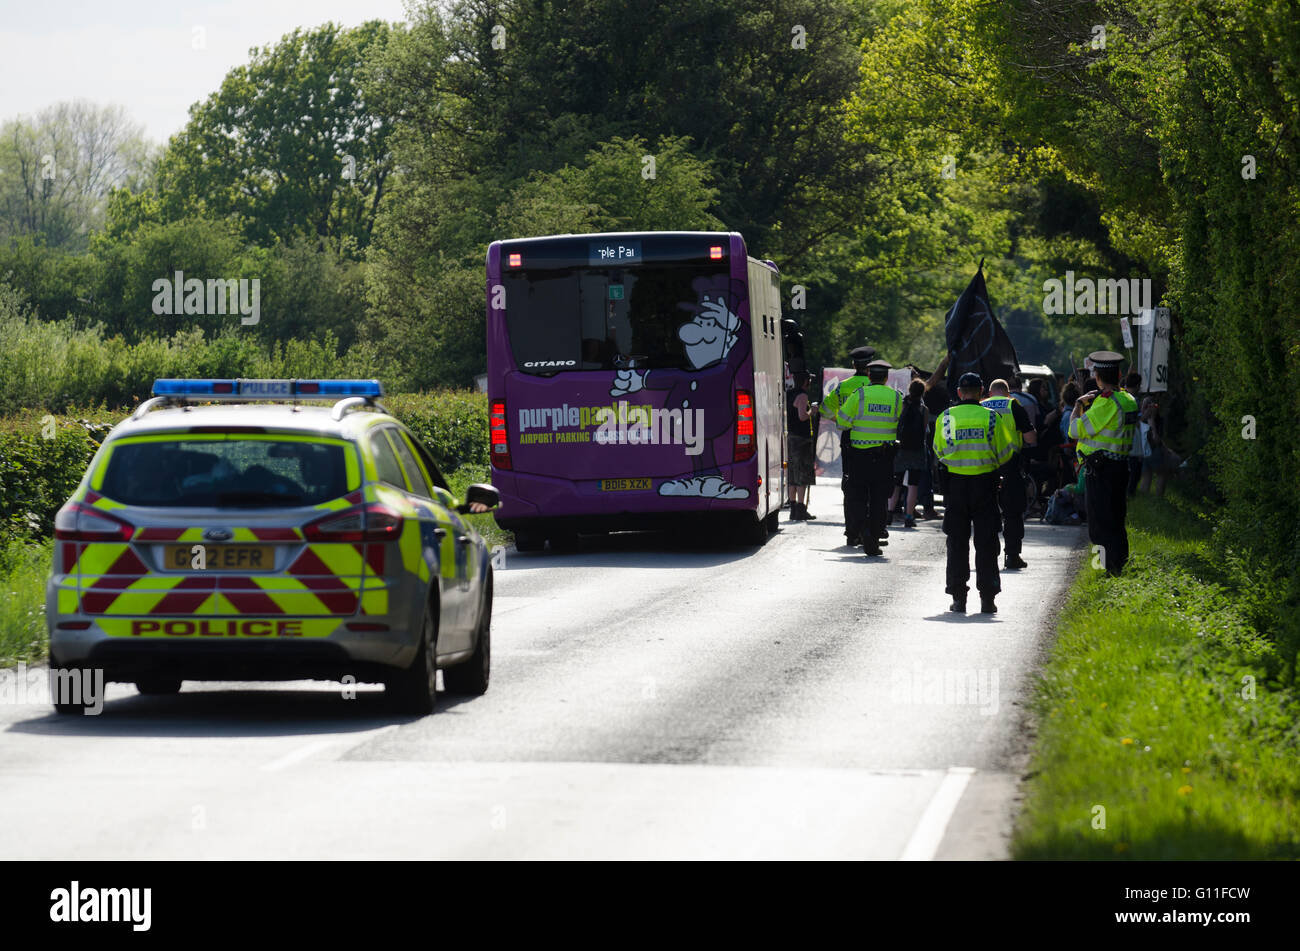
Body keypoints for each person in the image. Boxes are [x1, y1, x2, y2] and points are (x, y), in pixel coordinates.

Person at [933, 372, 1010, 613]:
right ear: (982, 392)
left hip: (955, 487)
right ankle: (988, 598)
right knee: (987, 543)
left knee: (957, 543)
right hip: (985, 486)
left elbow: (938, 449)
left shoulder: (946, 418)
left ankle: (958, 598)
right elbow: (1006, 451)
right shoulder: (992, 418)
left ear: (958, 392)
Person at [1069, 350, 1138, 577]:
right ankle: (1119, 567)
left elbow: (1074, 430)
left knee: (1099, 525)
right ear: (1118, 374)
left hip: (1102, 469)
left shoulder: (1105, 403)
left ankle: (1107, 571)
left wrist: (1079, 404)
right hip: (1119, 467)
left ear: (1097, 376)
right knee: (1116, 520)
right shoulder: (1128, 399)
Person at [835, 359, 903, 557]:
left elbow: (842, 423)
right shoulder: (896, 397)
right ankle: (873, 537)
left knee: (857, 496)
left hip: (860, 456)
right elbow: (901, 422)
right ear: (887, 378)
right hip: (884, 456)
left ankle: (863, 529)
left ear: (869, 376)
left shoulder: (860, 395)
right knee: (879, 499)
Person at [821, 346, 876, 545]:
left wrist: (840, 419)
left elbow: (825, 410)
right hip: (875, 441)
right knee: (872, 486)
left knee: (851, 485)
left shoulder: (843, 386)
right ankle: (870, 529)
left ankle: (852, 531)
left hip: (850, 439)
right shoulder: (876, 386)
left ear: (853, 365)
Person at [982, 378, 1036, 570]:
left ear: (989, 393)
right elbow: (1030, 438)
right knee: (1012, 512)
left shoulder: (981, 406)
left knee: (987, 512)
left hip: (985, 467)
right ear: (1008, 393)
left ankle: (988, 556)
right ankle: (1012, 556)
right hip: (1010, 466)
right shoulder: (1014, 405)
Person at [889, 378, 929, 528]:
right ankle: (909, 516)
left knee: (896, 482)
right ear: (923, 392)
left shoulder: (902, 405)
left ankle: (889, 512)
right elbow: (925, 430)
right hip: (917, 451)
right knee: (913, 485)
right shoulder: (924, 410)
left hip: (900, 449)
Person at [786, 370, 817, 520]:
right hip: (802, 439)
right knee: (802, 474)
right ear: (805, 381)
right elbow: (802, 416)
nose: (810, 383)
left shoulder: (789, 394)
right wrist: (813, 411)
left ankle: (793, 508)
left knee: (792, 473)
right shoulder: (803, 396)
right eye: (809, 380)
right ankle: (801, 508)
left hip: (791, 436)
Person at [1124, 371, 1144, 497]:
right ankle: (1130, 494)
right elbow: (1135, 422)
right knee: (1134, 470)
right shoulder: (1133, 401)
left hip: (1122, 441)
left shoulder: (1121, 396)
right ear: (1137, 386)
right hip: (1132, 440)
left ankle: (1129, 494)